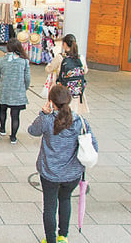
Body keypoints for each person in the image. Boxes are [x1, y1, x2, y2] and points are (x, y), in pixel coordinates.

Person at [28, 84, 98, 243]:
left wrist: (42, 113)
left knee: (49, 207)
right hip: (72, 174)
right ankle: (63, 236)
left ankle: (50, 239)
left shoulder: (46, 120)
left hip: (50, 173)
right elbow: (94, 145)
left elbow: (32, 131)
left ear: (51, 101)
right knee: (65, 200)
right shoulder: (80, 121)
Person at [0, 38, 31, 144]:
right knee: (15, 115)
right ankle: (13, 136)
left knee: (2, 109)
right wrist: (25, 87)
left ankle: (2, 128)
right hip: (18, 91)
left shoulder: (1, 60)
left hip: (4, 89)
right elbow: (27, 78)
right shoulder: (24, 61)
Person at [45, 34, 88, 114]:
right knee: (74, 112)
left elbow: (49, 69)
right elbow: (85, 71)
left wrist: (48, 66)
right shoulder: (80, 57)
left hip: (63, 90)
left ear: (64, 44)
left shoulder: (60, 57)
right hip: (77, 90)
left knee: (61, 113)